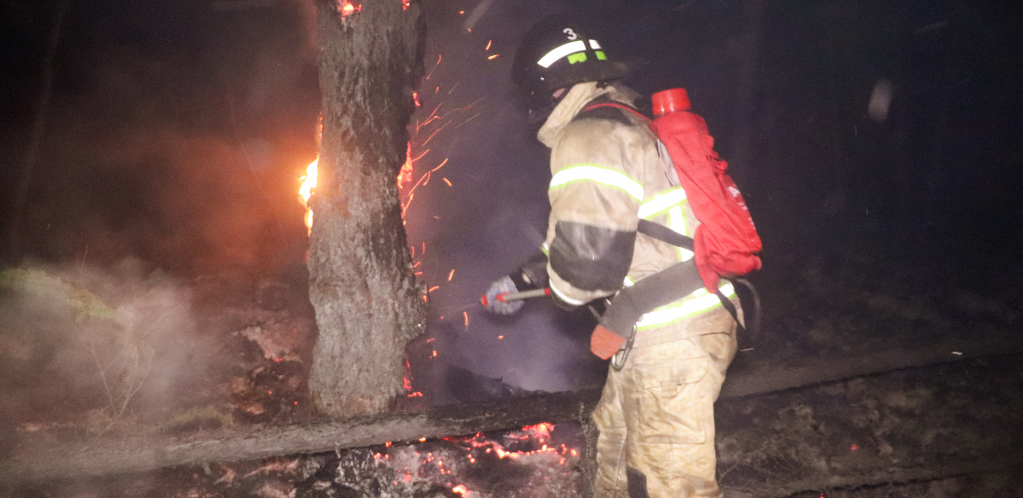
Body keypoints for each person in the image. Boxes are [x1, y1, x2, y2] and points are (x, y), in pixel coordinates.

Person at [483, 15, 742, 498]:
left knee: (666, 484)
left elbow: (587, 268)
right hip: (657, 325)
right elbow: (602, 229)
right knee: (616, 460)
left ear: (544, 87)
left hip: (671, 336)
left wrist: (563, 292)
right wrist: (523, 279)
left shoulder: (589, 136)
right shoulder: (626, 117)